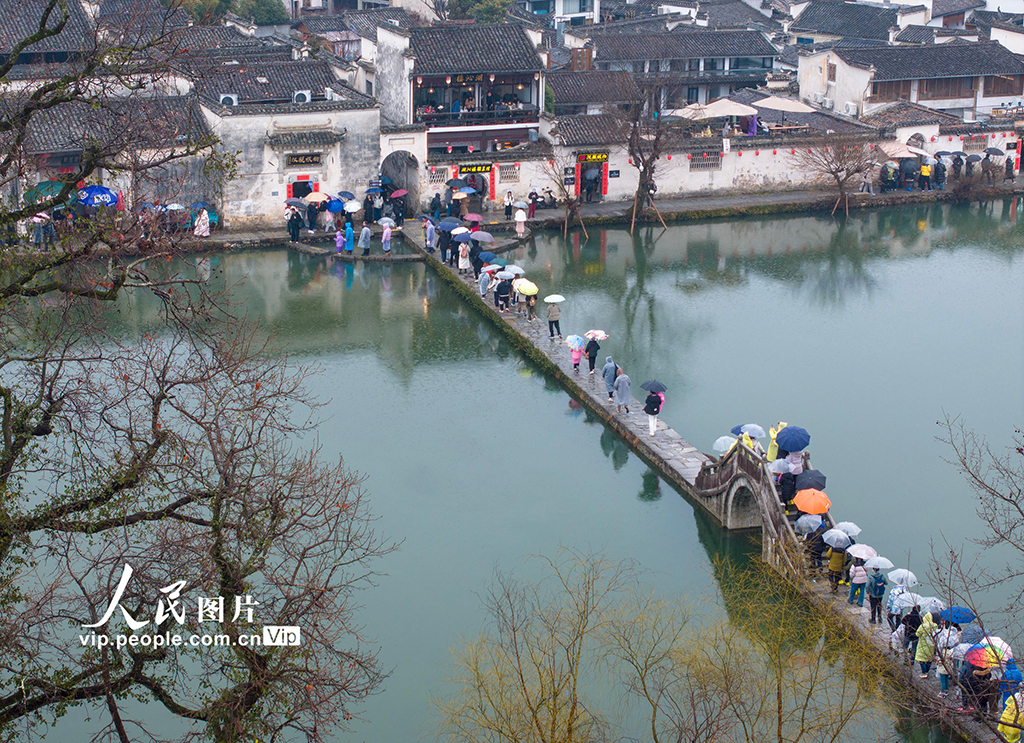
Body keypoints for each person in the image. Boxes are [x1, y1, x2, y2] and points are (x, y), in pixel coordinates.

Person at [935, 621, 961, 697]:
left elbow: (940, 661)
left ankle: (944, 692)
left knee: (943, 679)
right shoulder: (951, 652)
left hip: (943, 668)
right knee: (946, 678)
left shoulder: (943, 653)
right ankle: (946, 689)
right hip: (949, 667)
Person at [915, 612, 938, 678]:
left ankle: (924, 672)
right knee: (929, 659)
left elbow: (917, 634)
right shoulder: (935, 626)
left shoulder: (923, 626)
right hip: (931, 644)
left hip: (923, 644)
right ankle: (927, 671)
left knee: (921, 659)